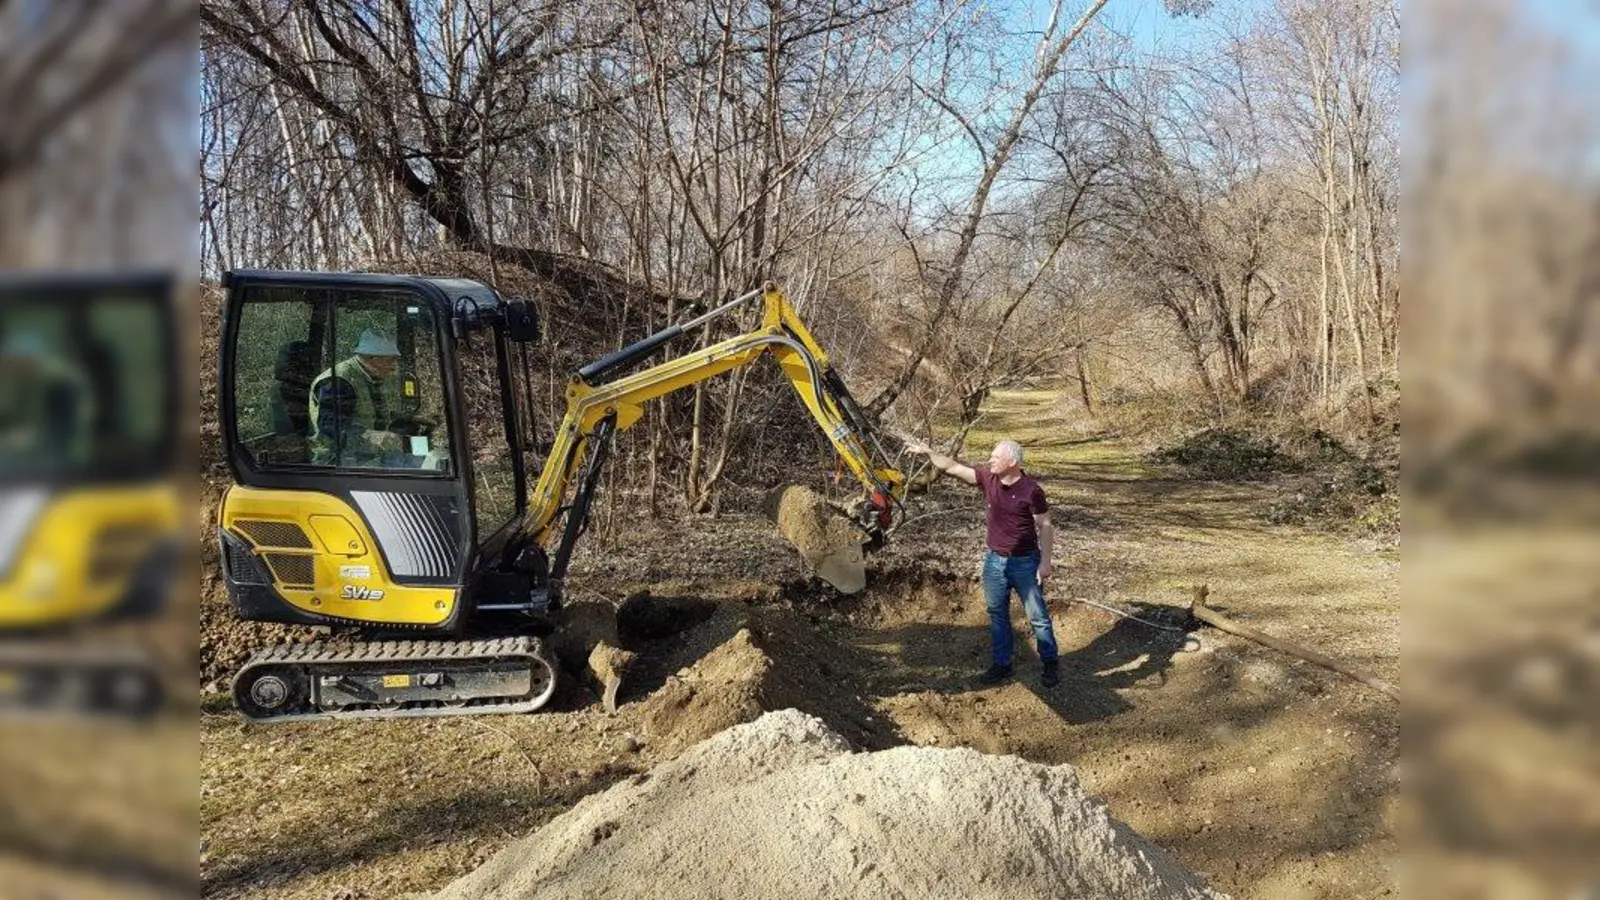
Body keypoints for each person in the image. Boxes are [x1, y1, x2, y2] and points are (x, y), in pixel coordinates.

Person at [903, 436, 1060, 687]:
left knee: (1037, 616)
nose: (990, 460)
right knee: (998, 614)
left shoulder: (1031, 490)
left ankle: (1050, 664)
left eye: (995, 457)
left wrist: (1045, 563)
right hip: (994, 562)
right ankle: (1002, 665)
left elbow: (1045, 525)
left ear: (1012, 461)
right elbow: (952, 467)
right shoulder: (989, 479)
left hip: (1025, 563)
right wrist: (927, 451)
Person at [307, 329, 405, 466]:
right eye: (391, 360)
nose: (394, 367)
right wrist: (372, 436)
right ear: (374, 359)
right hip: (337, 461)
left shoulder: (370, 377)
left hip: (363, 457)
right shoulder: (339, 381)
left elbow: (369, 413)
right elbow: (331, 427)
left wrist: (406, 419)